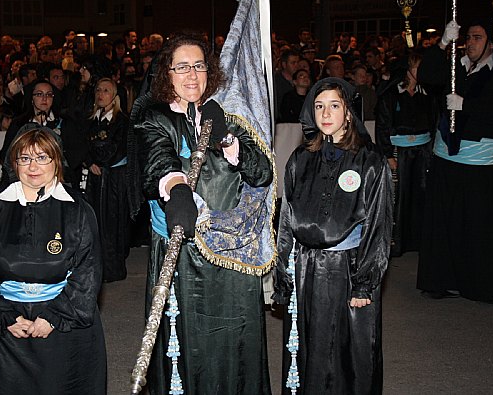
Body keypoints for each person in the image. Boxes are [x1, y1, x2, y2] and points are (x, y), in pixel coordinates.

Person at [128, 32, 273, 394]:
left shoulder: (226, 113)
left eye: (198, 66)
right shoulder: (154, 115)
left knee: (235, 337)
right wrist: (176, 188)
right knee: (191, 343)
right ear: (167, 73)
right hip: (186, 251)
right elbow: (158, 160)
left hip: (235, 252)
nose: (192, 75)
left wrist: (227, 140)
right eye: (182, 67)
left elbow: (262, 173)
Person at [0, 127, 106, 394]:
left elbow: (88, 270)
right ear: (13, 163)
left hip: (62, 324)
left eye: (42, 158)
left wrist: (53, 317)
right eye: (25, 158)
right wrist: (4, 315)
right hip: (5, 324)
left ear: (56, 161)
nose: (33, 166)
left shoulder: (77, 208)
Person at [274, 78, 392, 394]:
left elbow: (378, 225)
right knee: (308, 347)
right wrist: (283, 272)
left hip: (348, 268)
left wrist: (364, 282)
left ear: (348, 112)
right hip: (306, 267)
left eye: (334, 105)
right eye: (319, 106)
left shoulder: (370, 160)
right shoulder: (300, 158)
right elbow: (286, 218)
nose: (326, 114)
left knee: (347, 352)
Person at [416, 20, 493, 302]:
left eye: (477, 38)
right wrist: (442, 43)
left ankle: (480, 285)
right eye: (468, 37)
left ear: (491, 43)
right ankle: (441, 280)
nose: (470, 42)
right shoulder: (455, 67)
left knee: (476, 227)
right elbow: (426, 75)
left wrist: (465, 105)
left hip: (479, 166)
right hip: (446, 159)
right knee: (444, 224)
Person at [376, 52, 436, 257]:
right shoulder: (391, 94)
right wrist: (387, 154)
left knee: (421, 195)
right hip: (399, 151)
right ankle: (396, 242)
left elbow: (433, 123)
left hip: (423, 151)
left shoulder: (426, 94)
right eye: (419, 67)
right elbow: (383, 125)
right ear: (409, 69)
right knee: (398, 197)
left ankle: (418, 241)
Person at [78, 78, 130, 282]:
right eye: (98, 90)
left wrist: (100, 161)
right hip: (95, 179)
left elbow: (117, 150)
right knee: (95, 222)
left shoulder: (122, 121)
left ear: (114, 96)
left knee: (113, 222)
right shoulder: (91, 120)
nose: (101, 94)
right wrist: (90, 161)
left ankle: (113, 269)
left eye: (106, 90)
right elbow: (81, 145)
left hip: (114, 180)